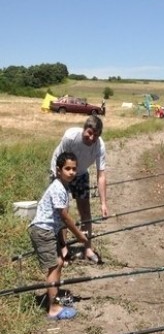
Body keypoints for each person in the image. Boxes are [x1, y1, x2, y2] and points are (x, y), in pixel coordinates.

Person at [30, 152, 90, 319]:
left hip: (49, 231)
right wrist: (79, 236)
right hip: (43, 231)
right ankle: (54, 309)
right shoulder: (57, 188)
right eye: (67, 168)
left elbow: (60, 221)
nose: (71, 172)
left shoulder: (63, 187)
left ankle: (54, 300)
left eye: (74, 169)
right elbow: (64, 217)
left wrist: (63, 245)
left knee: (59, 263)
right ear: (58, 170)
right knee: (54, 268)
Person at [50, 115, 107, 263]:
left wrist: (103, 203)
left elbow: (101, 176)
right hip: (62, 170)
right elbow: (60, 160)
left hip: (81, 173)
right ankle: (63, 248)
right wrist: (60, 181)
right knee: (64, 211)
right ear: (84, 129)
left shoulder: (100, 146)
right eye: (89, 132)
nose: (91, 137)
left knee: (85, 211)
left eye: (95, 135)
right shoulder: (70, 136)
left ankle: (87, 248)